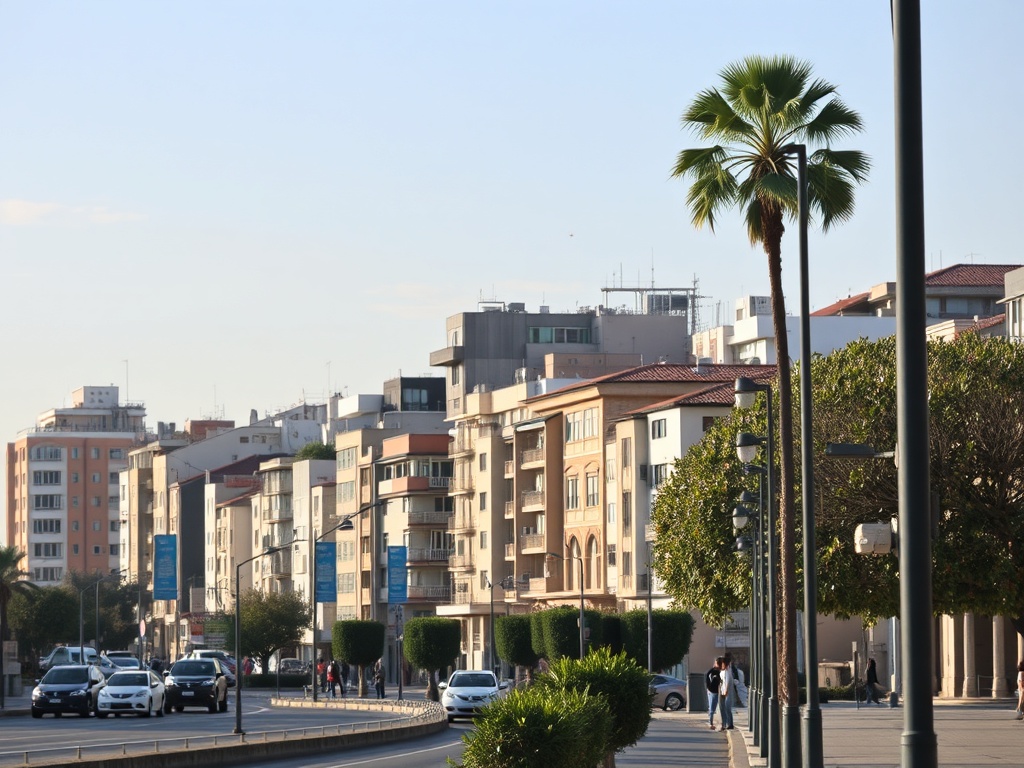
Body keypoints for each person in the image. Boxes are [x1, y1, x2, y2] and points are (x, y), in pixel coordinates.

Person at [718, 656, 734, 731]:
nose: (722, 665)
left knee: (728, 708)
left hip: (727, 692)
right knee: (723, 708)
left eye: (724, 663)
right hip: (722, 691)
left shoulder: (728, 671)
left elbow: (728, 681)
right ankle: (725, 723)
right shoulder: (722, 671)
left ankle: (730, 723)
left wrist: (726, 690)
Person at [705, 659, 722, 730]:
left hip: (714, 691)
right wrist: (709, 688)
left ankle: (712, 722)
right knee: (712, 708)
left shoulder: (714, 671)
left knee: (713, 708)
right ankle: (711, 722)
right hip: (713, 691)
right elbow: (708, 680)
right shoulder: (714, 672)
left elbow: (707, 679)